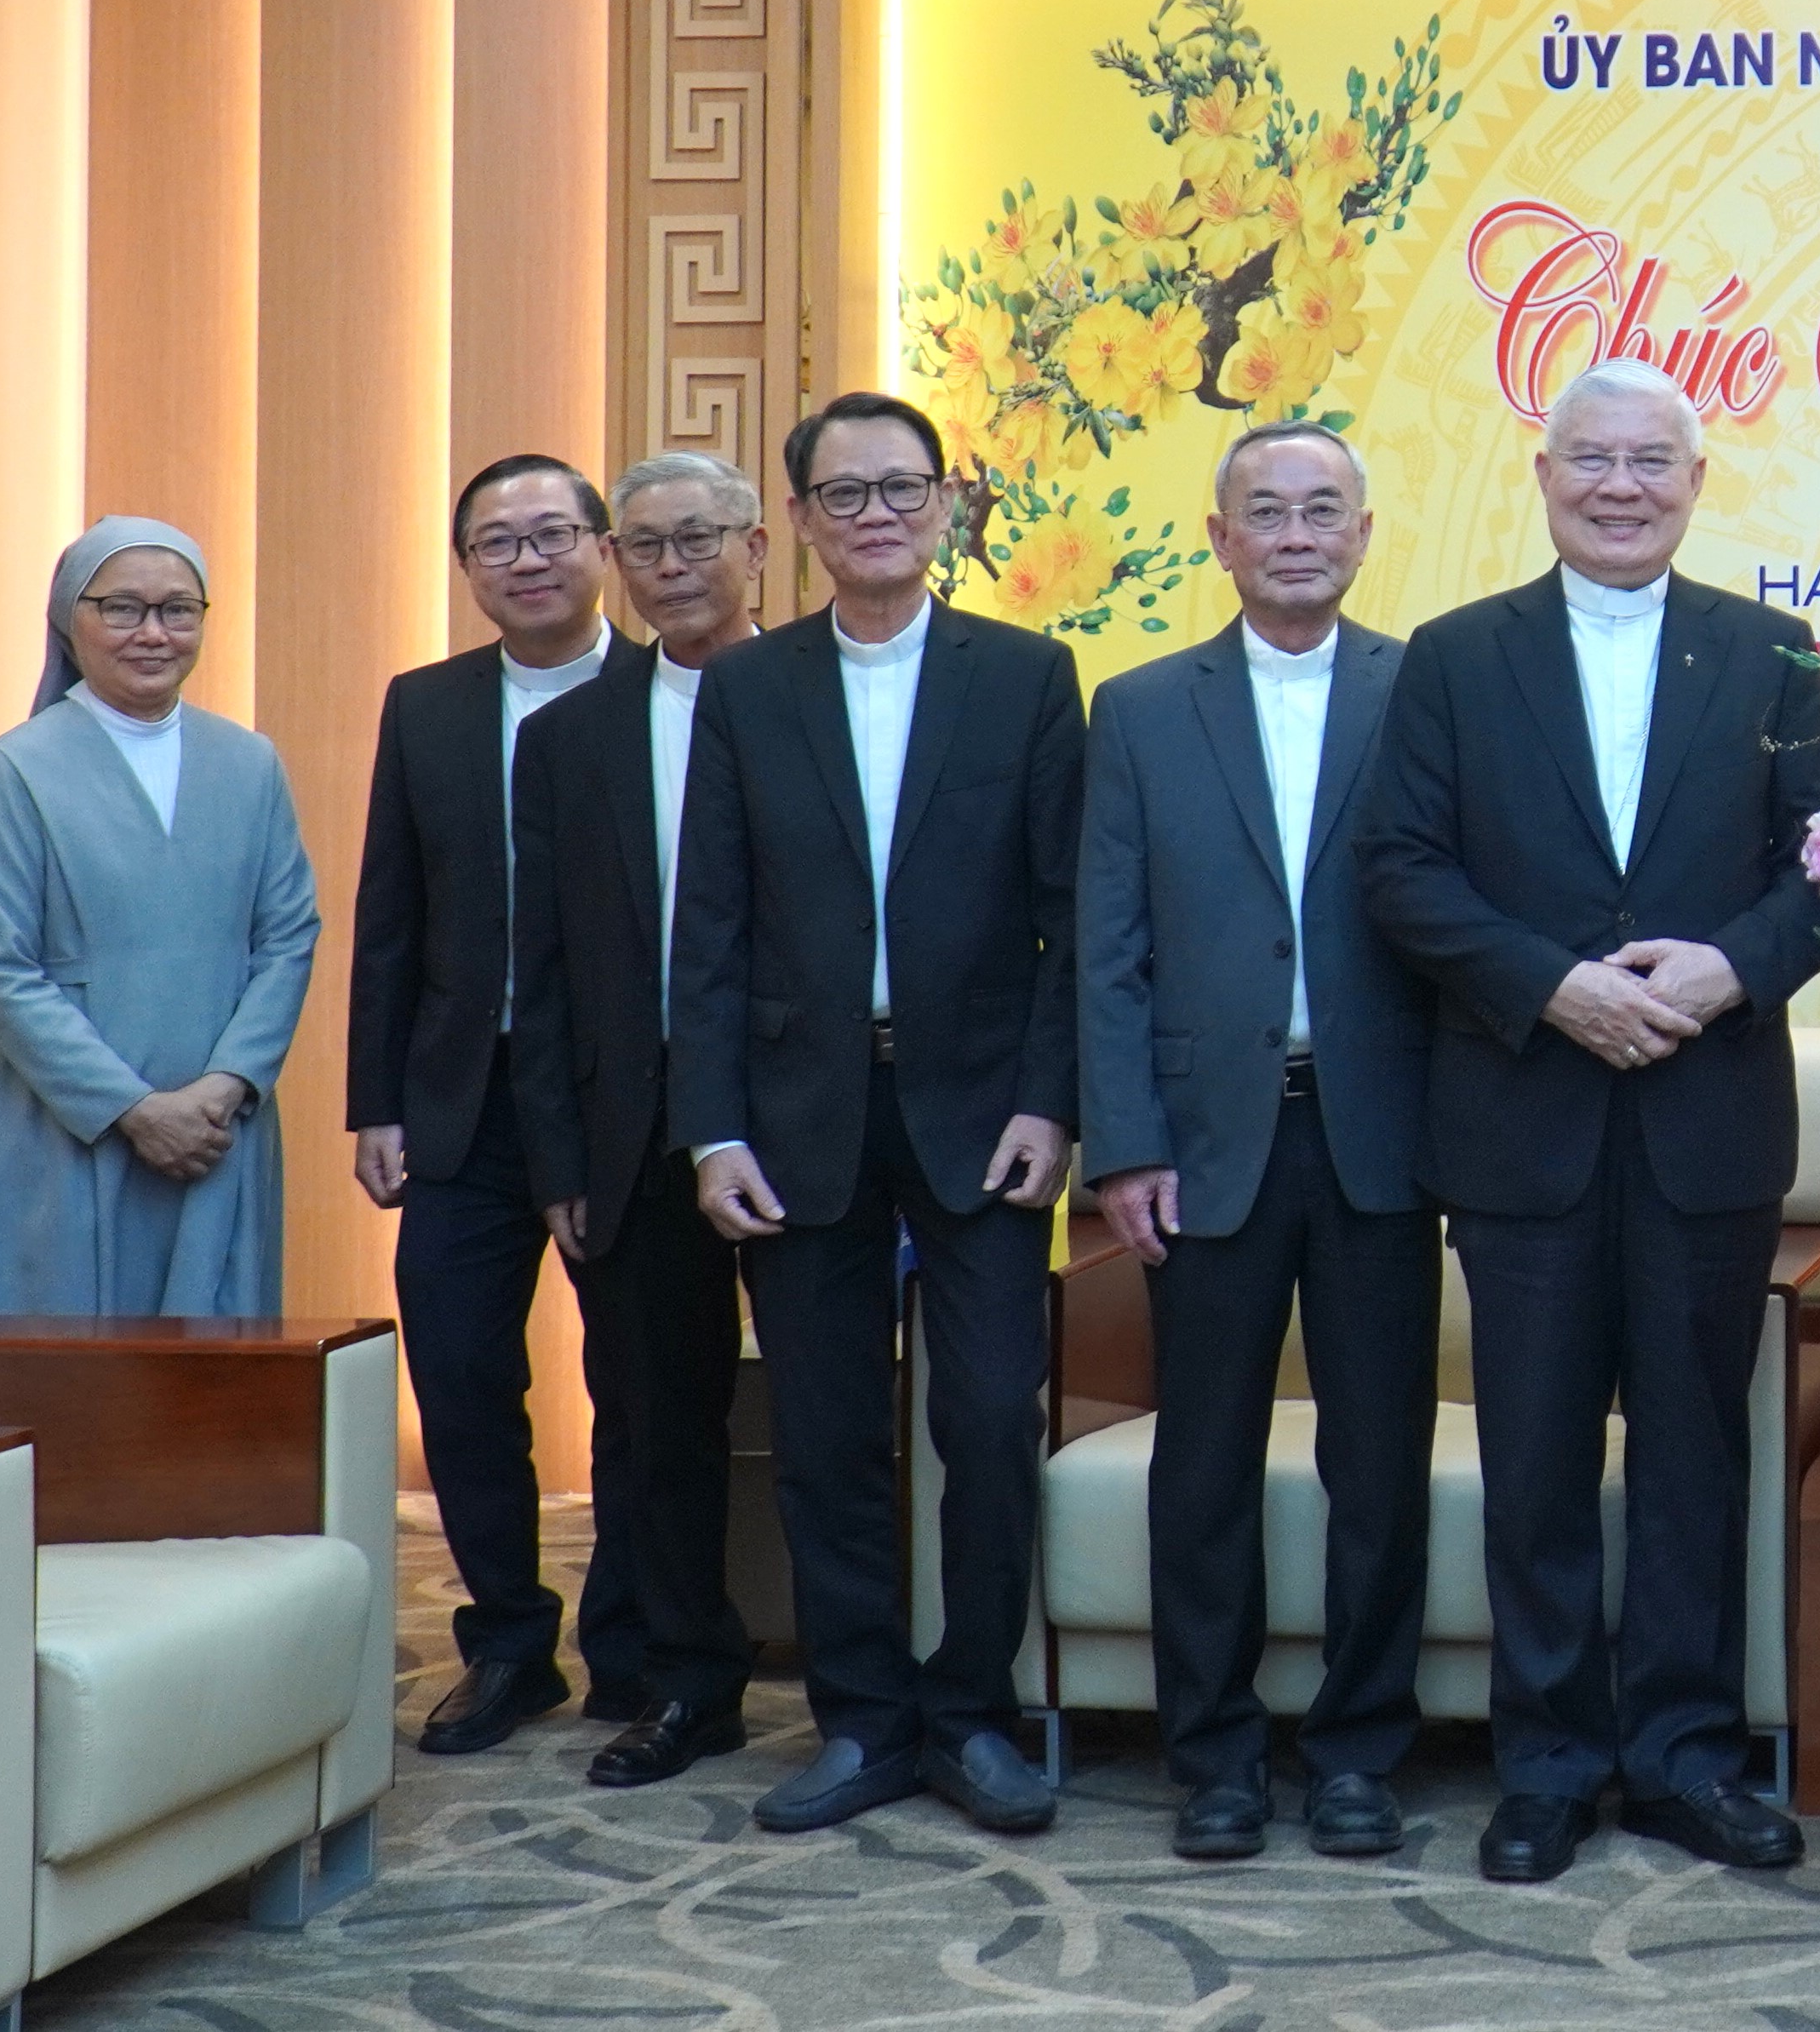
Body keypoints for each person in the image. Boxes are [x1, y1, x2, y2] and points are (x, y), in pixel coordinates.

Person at [1355, 358, 1820, 1885]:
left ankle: (1687, 1757)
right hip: (1523, 1119)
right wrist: (1552, 986)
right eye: (1592, 459)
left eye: (1650, 462)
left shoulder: (1770, 652)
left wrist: (1728, 968)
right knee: (1538, 1458)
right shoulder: (1454, 656)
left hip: (1709, 1117)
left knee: (1694, 1453)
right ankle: (1549, 1764)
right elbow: (1402, 868)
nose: (1620, 487)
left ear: (1695, 482)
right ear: (1543, 473)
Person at [668, 391, 1085, 1839]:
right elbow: (709, 929)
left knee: (989, 1417)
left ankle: (970, 1712)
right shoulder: (748, 687)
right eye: (843, 494)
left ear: (947, 504)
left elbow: (1070, 917)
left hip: (984, 1116)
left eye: (902, 487)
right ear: (797, 521)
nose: (877, 515)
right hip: (798, 1116)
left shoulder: (1028, 676)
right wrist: (713, 1130)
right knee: (827, 1430)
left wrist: (1051, 1100)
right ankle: (860, 1717)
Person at [1079, 422, 1439, 1864]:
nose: (1296, 534)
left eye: (1322, 510)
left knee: (1380, 1465)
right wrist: (1124, 1143)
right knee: (1203, 1467)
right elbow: (1107, 949)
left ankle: (1359, 1753)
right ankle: (1213, 1755)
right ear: (1219, 538)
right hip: (1200, 1143)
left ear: (1364, 533)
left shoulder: (1426, 690)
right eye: (1266, 512)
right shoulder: (1138, 708)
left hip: (1383, 1138)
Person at [347, 455, 632, 1758]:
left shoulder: (670, 693)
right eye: (496, 542)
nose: (528, 560)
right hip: (468, 1095)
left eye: (552, 533)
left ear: (603, 548)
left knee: (636, 1378)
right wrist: (378, 1097)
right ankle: (511, 1638)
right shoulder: (429, 705)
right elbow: (391, 912)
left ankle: (632, 1634)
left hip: (622, 1097)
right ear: (465, 566)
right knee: (460, 1369)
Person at [512, 451, 770, 1790]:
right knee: (653, 1418)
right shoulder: (570, 738)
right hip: (634, 1124)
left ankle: (865, 1686)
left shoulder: (815, 696)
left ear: (757, 548)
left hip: (803, 1112)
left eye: (699, 539)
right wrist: (559, 1151)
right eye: (648, 545)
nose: (674, 567)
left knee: (828, 1412)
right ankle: (686, 1681)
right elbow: (544, 967)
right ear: (616, 564)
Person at [0, 518, 320, 1314]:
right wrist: (134, 1109)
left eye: (178, 610)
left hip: (220, 1128)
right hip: (67, 1125)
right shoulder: (13, 769)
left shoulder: (249, 762)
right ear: (68, 620)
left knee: (215, 1366)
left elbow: (288, 936)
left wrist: (226, 1084)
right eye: (122, 608)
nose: (153, 633)